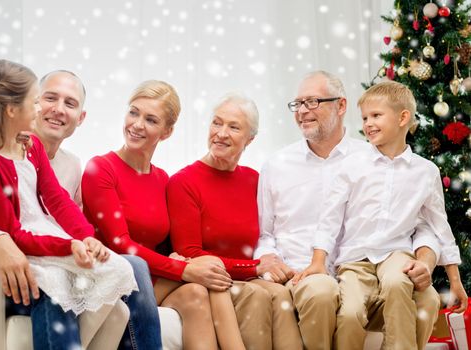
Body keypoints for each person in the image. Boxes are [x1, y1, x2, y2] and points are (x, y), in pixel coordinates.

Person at [0, 68, 163, 350]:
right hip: (25, 265)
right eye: (47, 98)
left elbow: (61, 204)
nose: (56, 109)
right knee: (59, 287)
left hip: (55, 251)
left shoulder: (67, 163)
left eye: (70, 103)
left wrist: (85, 238)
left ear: (81, 118)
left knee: (130, 272)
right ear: (17, 108)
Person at [253, 71, 442, 350]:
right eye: (298, 104)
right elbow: (264, 233)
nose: (303, 112)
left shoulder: (375, 157)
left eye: (313, 102)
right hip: (306, 274)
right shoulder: (277, 165)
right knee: (321, 291)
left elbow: (421, 222)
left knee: (427, 299)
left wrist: (425, 260)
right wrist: (267, 257)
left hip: (368, 273)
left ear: (341, 106)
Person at [298, 80, 467, 349]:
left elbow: (439, 226)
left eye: (376, 116)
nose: (368, 123)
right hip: (354, 260)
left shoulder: (425, 172)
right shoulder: (351, 166)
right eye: (365, 117)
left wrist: (454, 280)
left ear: (403, 118)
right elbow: (329, 218)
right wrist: (319, 261)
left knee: (398, 283)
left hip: (395, 253)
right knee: (351, 312)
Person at [81, 80, 235, 350]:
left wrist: (178, 258)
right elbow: (121, 244)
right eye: (133, 112)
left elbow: (166, 243)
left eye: (150, 120)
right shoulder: (101, 168)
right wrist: (184, 269)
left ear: (167, 132)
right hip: (116, 278)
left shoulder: (163, 179)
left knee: (198, 293)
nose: (137, 124)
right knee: (203, 276)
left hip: (152, 279)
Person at [167, 92, 302, 350]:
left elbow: (271, 232)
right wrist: (254, 267)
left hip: (246, 274)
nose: (221, 133)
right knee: (256, 295)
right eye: (217, 123)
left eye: (233, 127)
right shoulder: (184, 182)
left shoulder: (254, 180)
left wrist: (272, 265)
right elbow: (189, 253)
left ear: (250, 139)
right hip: (210, 280)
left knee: (282, 295)